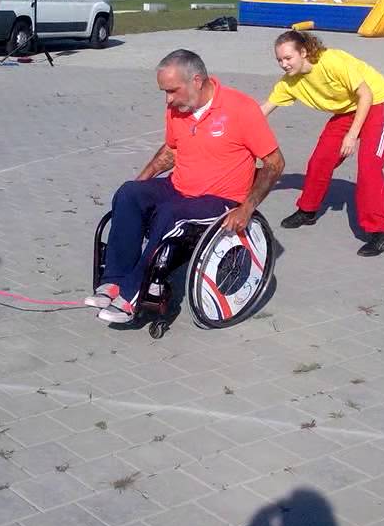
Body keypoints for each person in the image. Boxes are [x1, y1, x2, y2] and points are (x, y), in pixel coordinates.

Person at [87, 49, 284, 323]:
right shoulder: (177, 109)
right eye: (164, 92)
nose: (168, 99)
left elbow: (274, 163)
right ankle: (115, 281)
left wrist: (247, 208)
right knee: (128, 194)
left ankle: (132, 296)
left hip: (219, 198)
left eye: (172, 91)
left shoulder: (241, 109)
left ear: (197, 80)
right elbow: (171, 151)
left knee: (171, 213)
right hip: (178, 186)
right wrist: (140, 182)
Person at [261, 30, 384, 257]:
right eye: (279, 60)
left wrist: (352, 135)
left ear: (303, 52)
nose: (284, 64)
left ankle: (381, 233)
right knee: (320, 160)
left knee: (369, 167)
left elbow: (366, 95)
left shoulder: (332, 61)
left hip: (378, 101)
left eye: (288, 58)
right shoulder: (289, 83)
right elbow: (264, 109)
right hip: (348, 109)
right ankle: (308, 211)